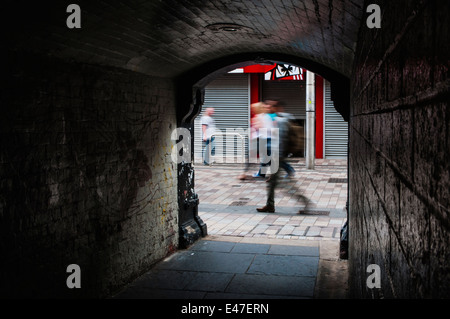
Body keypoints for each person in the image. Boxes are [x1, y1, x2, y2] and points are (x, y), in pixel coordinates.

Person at [257, 99, 309, 213]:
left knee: (283, 184)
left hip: (278, 156)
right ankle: (270, 205)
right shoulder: (282, 119)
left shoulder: (280, 121)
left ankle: (305, 203)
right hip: (277, 156)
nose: (267, 108)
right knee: (272, 182)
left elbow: (280, 141)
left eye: (270, 106)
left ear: (276, 108)